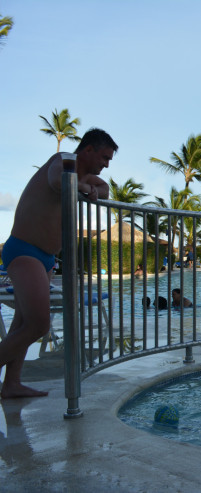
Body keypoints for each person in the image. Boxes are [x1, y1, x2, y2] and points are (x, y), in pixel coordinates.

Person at [0, 128, 117, 398]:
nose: (107, 164)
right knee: (38, 325)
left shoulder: (84, 176)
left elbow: (106, 190)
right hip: (25, 250)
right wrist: (84, 187)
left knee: (21, 323)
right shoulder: (63, 159)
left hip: (46, 259)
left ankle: (11, 383)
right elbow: (57, 182)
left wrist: (89, 187)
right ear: (88, 149)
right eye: (104, 157)